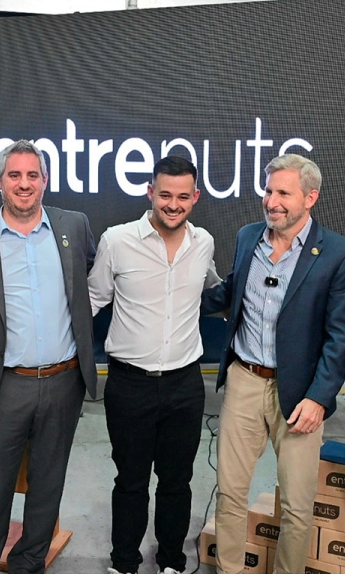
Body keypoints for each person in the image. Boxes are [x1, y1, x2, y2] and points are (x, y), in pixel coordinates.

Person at [202, 154, 345, 574]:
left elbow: (340, 335)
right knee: (230, 493)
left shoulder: (339, 254)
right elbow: (231, 292)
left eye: (283, 193)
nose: (272, 201)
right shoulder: (247, 237)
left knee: (296, 505)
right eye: (269, 191)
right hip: (244, 379)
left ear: (310, 197)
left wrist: (320, 397)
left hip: (301, 392)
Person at [0, 139, 97, 574]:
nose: (24, 183)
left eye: (32, 175)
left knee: (47, 488)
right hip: (5, 385)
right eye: (14, 175)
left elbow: (88, 279)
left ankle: (29, 564)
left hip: (63, 381)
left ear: (45, 180)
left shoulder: (74, 226)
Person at [89, 156, 221, 574]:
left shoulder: (203, 243)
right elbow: (92, 300)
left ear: (195, 197)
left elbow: (214, 290)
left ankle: (171, 562)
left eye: (182, 196)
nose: (173, 204)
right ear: (150, 192)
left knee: (177, 482)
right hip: (129, 385)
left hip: (185, 384)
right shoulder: (117, 241)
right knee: (130, 481)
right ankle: (124, 563)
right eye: (165, 195)